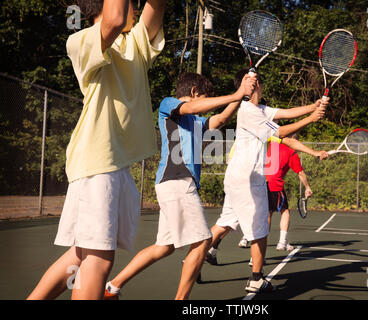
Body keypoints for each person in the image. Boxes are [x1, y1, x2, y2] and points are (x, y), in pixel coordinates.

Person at [27, 0, 166, 300]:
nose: (135, 7)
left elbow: (157, 8)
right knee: (99, 259)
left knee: (79, 256)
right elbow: (114, 19)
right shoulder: (80, 41)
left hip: (115, 165)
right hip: (96, 162)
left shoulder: (135, 43)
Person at [103, 72, 256, 300]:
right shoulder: (169, 104)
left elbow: (220, 120)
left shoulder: (195, 121)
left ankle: (112, 288)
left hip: (174, 184)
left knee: (163, 247)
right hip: (177, 181)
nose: (205, 102)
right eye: (204, 97)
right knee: (204, 242)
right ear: (194, 93)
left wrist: (241, 96)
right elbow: (192, 108)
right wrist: (236, 93)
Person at [207, 68, 329, 294]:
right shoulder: (249, 111)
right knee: (260, 229)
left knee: (225, 221)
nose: (260, 85)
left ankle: (199, 255)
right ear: (255, 86)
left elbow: (286, 112)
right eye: (257, 82)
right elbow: (281, 132)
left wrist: (313, 106)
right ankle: (256, 278)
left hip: (236, 177)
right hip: (248, 179)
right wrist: (311, 118)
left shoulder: (259, 109)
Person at [238, 134, 327, 252]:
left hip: (257, 181)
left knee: (258, 212)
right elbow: (300, 173)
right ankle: (281, 242)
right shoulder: (291, 152)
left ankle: (246, 238)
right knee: (282, 212)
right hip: (274, 184)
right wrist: (307, 187)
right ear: (293, 140)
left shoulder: (271, 144)